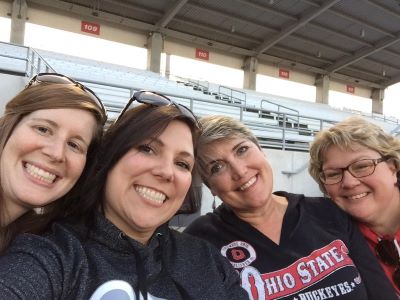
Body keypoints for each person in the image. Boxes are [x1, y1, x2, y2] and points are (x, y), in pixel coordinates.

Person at [0, 91, 248, 300]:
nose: (166, 172)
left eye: (182, 164)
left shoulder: (205, 259)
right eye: (147, 149)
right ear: (108, 160)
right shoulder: (53, 254)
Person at [184, 115, 398, 300]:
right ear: (210, 186)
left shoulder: (327, 212)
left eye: (242, 150)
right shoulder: (200, 241)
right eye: (217, 167)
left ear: (261, 150)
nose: (239, 171)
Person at [0, 72, 107, 252]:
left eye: (74, 145)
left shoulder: (38, 245)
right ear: (8, 127)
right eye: (43, 129)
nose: (56, 153)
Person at [309, 116, 400, 295]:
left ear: (393, 168)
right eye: (333, 174)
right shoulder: (325, 246)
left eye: (362, 166)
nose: (349, 183)